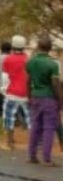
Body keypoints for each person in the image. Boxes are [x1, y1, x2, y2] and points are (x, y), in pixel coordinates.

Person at [25, 36, 60, 166]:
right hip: (48, 98)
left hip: (35, 97)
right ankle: (47, 158)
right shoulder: (52, 64)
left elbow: (28, 81)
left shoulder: (30, 62)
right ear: (50, 49)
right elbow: (56, 84)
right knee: (48, 128)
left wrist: (29, 97)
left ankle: (32, 156)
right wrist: (60, 100)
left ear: (38, 47)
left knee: (35, 127)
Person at [1, 36, 30, 151]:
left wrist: (4, 90)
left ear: (13, 46)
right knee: (31, 119)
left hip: (12, 92)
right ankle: (33, 144)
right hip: (26, 93)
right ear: (23, 47)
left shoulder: (7, 59)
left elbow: (5, 78)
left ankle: (9, 143)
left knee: (9, 118)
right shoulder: (28, 59)